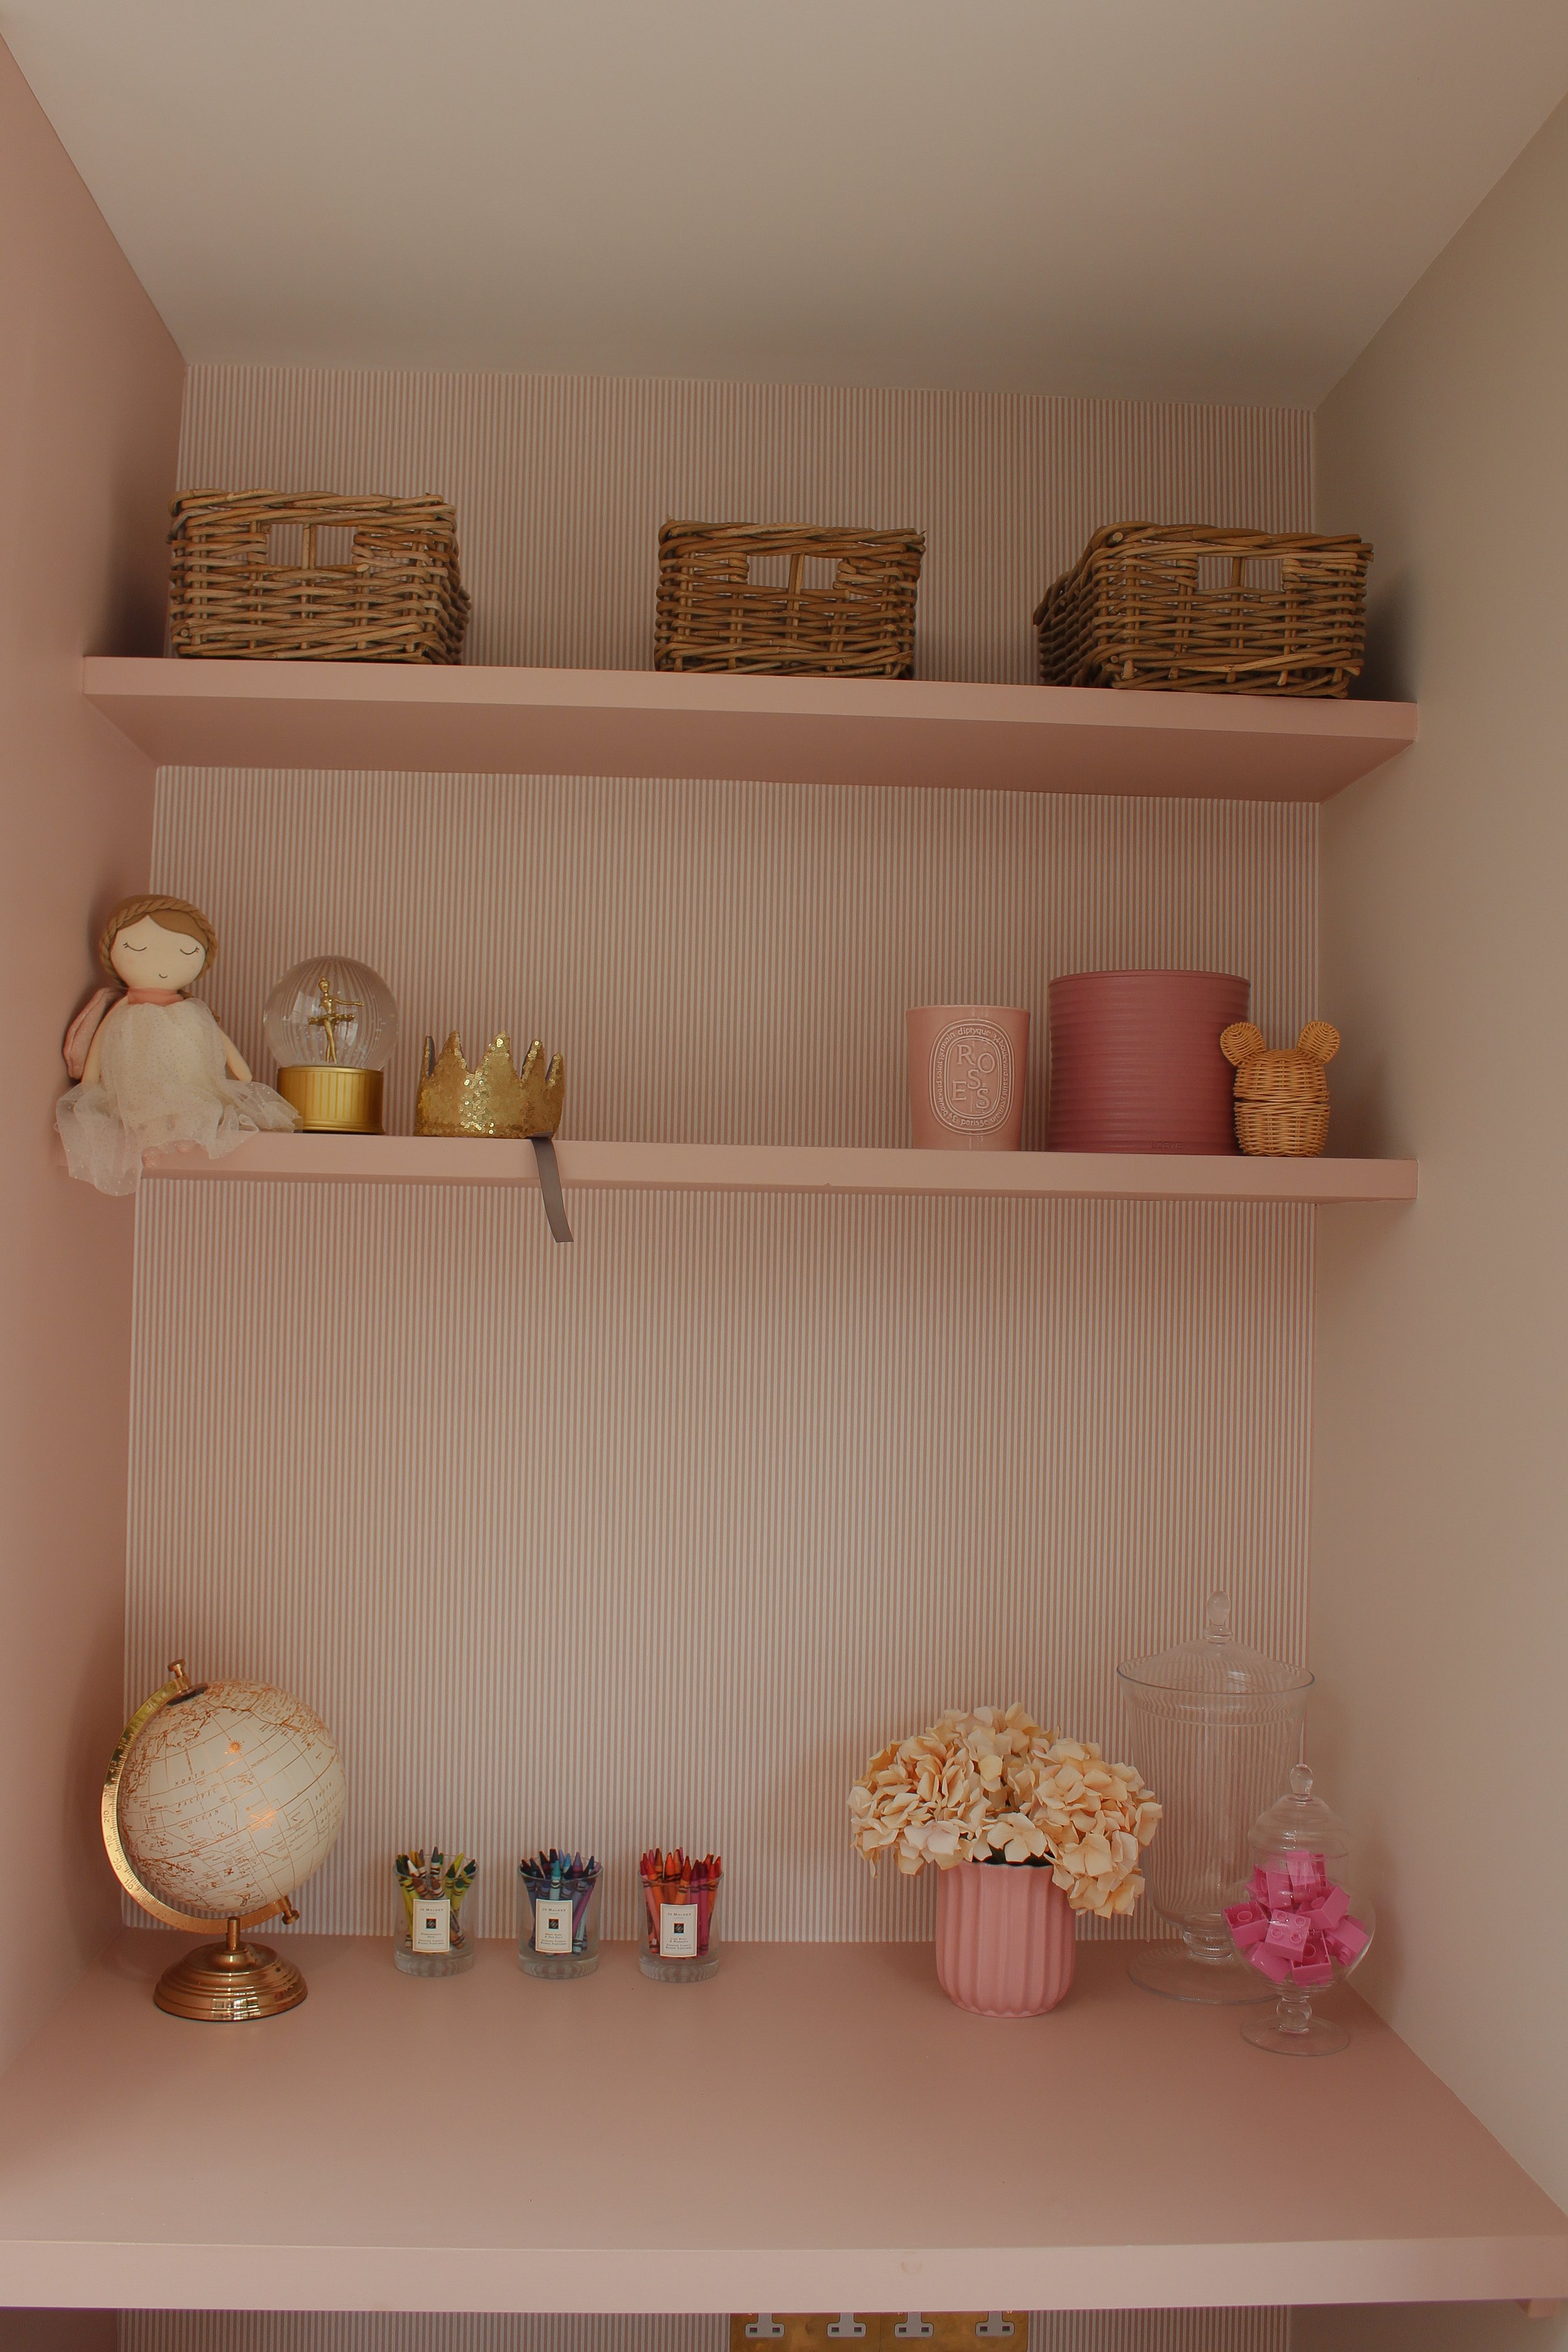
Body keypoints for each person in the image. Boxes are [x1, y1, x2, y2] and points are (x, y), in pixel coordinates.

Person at [56, 893, 297, 1196]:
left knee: (191, 1099)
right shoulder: (124, 1008)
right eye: (138, 948)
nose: (163, 964)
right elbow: (100, 1038)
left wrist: (241, 1072)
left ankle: (187, 1132)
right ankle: (150, 1143)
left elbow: (220, 1041)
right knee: (141, 1106)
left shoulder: (193, 1010)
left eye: (186, 951)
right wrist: (90, 1081)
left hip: (187, 1081)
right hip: (135, 1082)